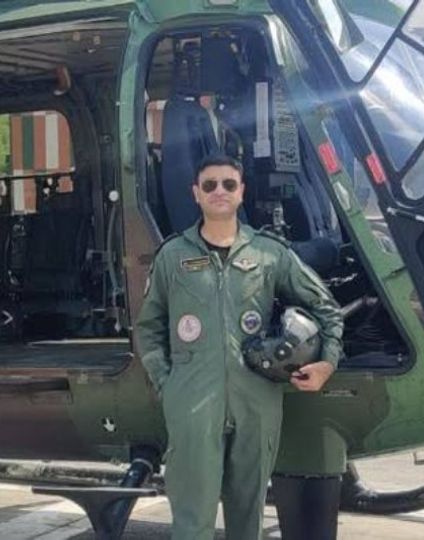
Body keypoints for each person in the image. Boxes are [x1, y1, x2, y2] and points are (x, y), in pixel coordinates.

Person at [135, 154, 344, 539]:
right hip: (193, 401)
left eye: (228, 184)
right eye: (210, 185)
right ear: (196, 193)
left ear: (241, 192)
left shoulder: (269, 253)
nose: (220, 191)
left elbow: (326, 308)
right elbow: (148, 327)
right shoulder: (173, 255)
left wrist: (326, 363)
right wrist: (168, 384)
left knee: (248, 519)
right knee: (191, 519)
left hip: (257, 401)